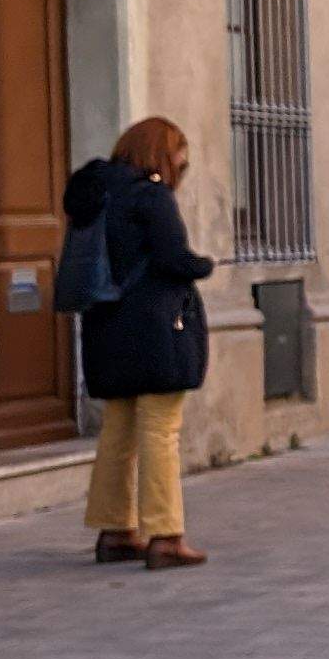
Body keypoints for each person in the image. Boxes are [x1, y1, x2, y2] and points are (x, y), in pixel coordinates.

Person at [65, 116, 211, 570]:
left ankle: (114, 531)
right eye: (178, 156)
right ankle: (165, 536)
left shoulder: (95, 195)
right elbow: (172, 257)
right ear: (160, 153)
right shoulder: (151, 196)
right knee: (159, 431)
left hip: (106, 327)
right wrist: (202, 264)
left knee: (118, 430)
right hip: (154, 329)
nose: (180, 166)